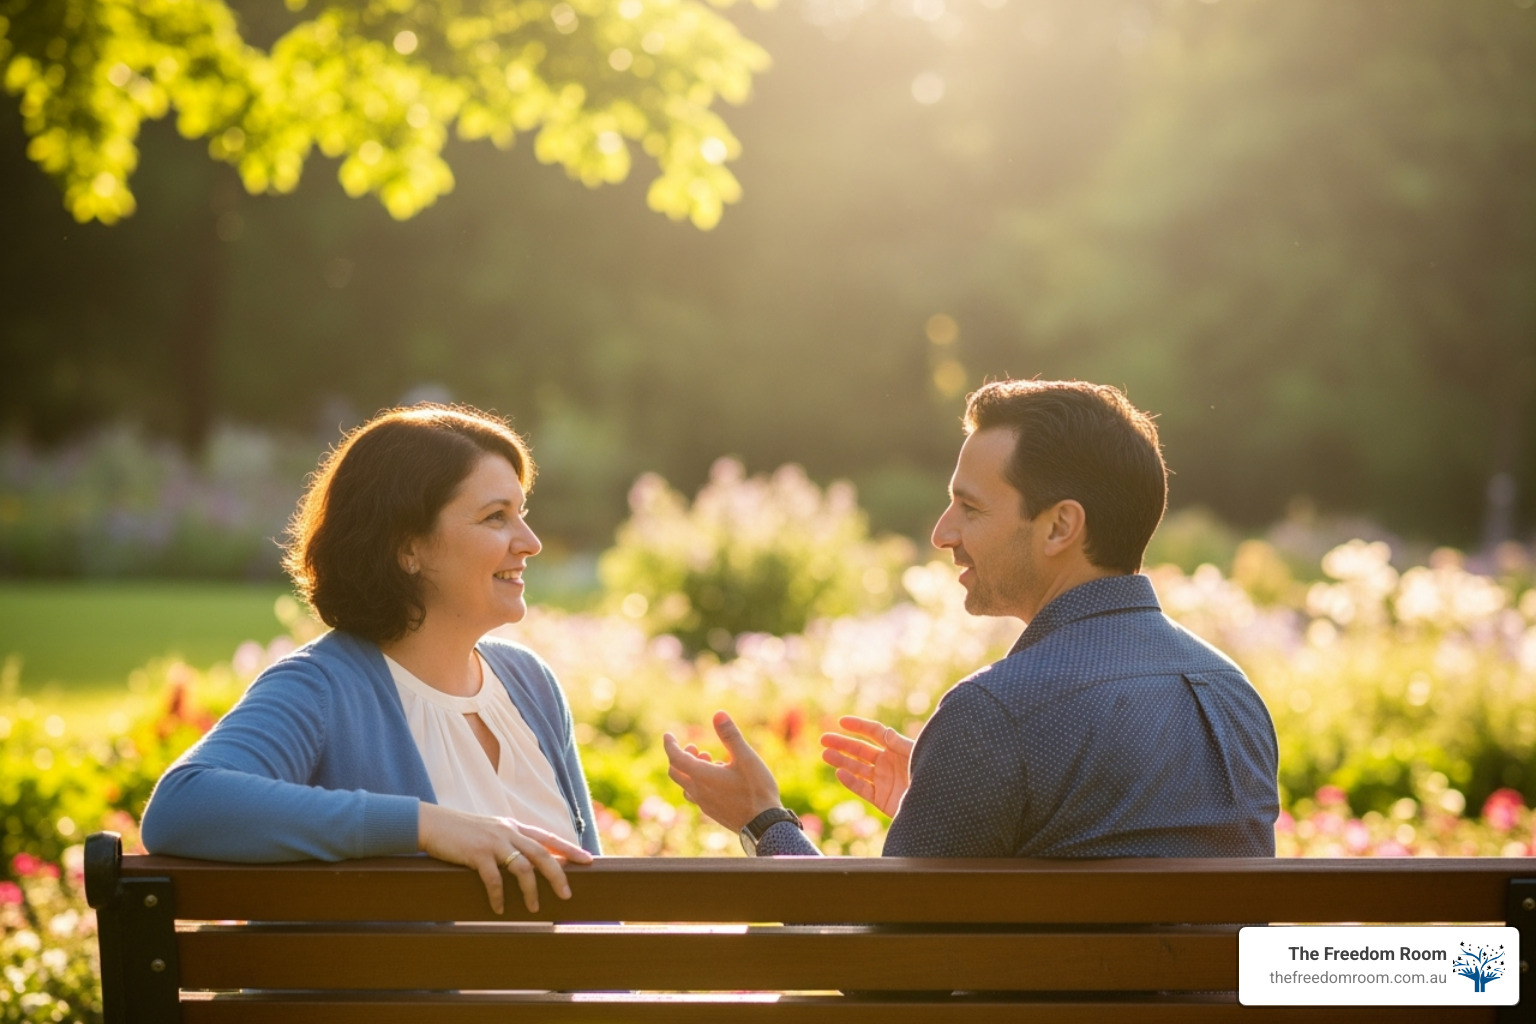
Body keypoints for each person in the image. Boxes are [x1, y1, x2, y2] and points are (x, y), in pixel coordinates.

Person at [665, 378, 1279, 859]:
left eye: (970, 507)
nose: (941, 532)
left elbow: (875, 968)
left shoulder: (995, 716)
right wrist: (945, 797)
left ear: (1061, 526)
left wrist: (764, 820)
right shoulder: (1232, 694)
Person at [141, 404, 597, 913]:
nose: (530, 543)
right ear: (408, 548)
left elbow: (597, 904)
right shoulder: (322, 688)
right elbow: (182, 807)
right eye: (496, 517)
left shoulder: (530, 684)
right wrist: (426, 825)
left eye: (522, 513)